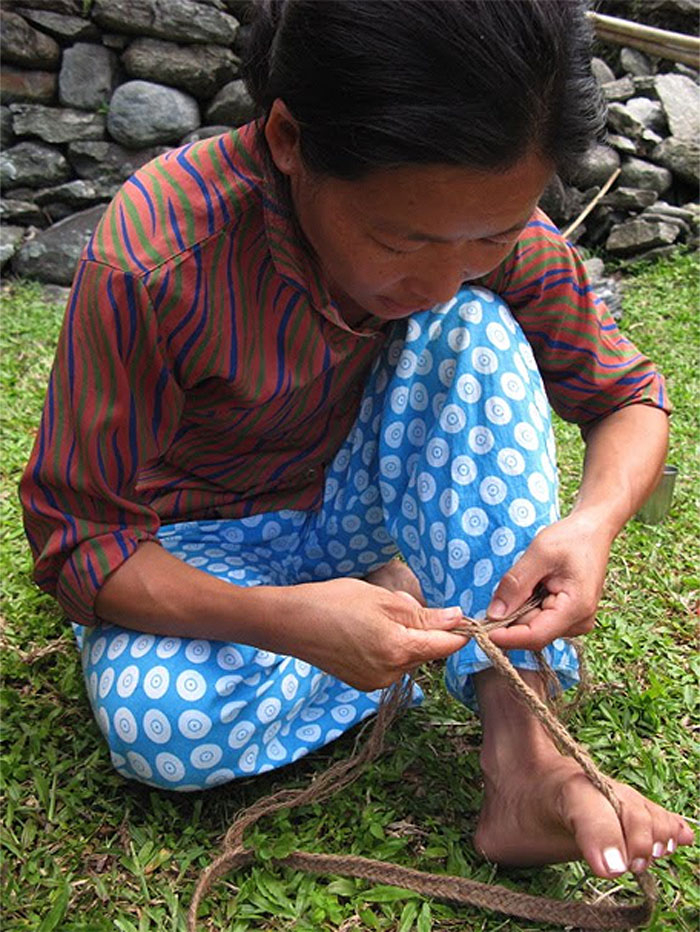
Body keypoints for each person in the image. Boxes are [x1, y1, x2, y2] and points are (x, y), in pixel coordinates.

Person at [21, 0, 692, 882]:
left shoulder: (484, 237)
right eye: (399, 240)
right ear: (291, 138)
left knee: (474, 331)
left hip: (350, 509)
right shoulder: (157, 257)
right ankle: (396, 611)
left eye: (490, 237)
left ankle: (525, 757)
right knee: (159, 727)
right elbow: (82, 548)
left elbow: (630, 399)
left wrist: (596, 523)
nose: (441, 275)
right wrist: (283, 620)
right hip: (194, 552)